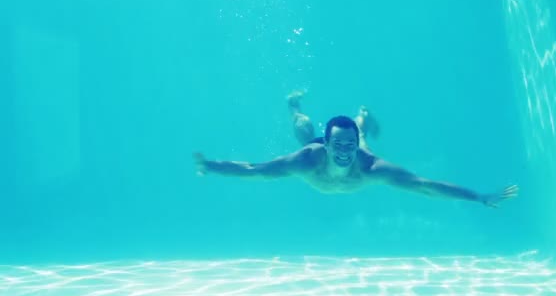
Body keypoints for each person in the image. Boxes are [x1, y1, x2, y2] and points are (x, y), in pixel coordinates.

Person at [193, 90, 518, 207]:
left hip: (359, 153)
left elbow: (425, 187)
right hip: (314, 150)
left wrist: (478, 197)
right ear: (328, 143)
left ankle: (362, 117)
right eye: (338, 143)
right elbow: (256, 171)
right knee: (303, 136)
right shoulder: (309, 159)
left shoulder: (371, 167)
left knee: (361, 136)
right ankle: (294, 106)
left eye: (347, 144)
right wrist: (211, 166)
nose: (345, 150)